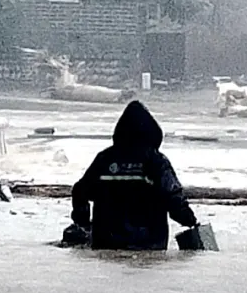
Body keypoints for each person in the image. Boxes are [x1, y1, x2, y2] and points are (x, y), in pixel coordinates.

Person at [69, 100, 199, 250]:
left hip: (106, 242)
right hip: (149, 243)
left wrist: (83, 223)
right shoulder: (156, 161)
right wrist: (190, 220)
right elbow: (173, 197)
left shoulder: (105, 159)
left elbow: (80, 191)